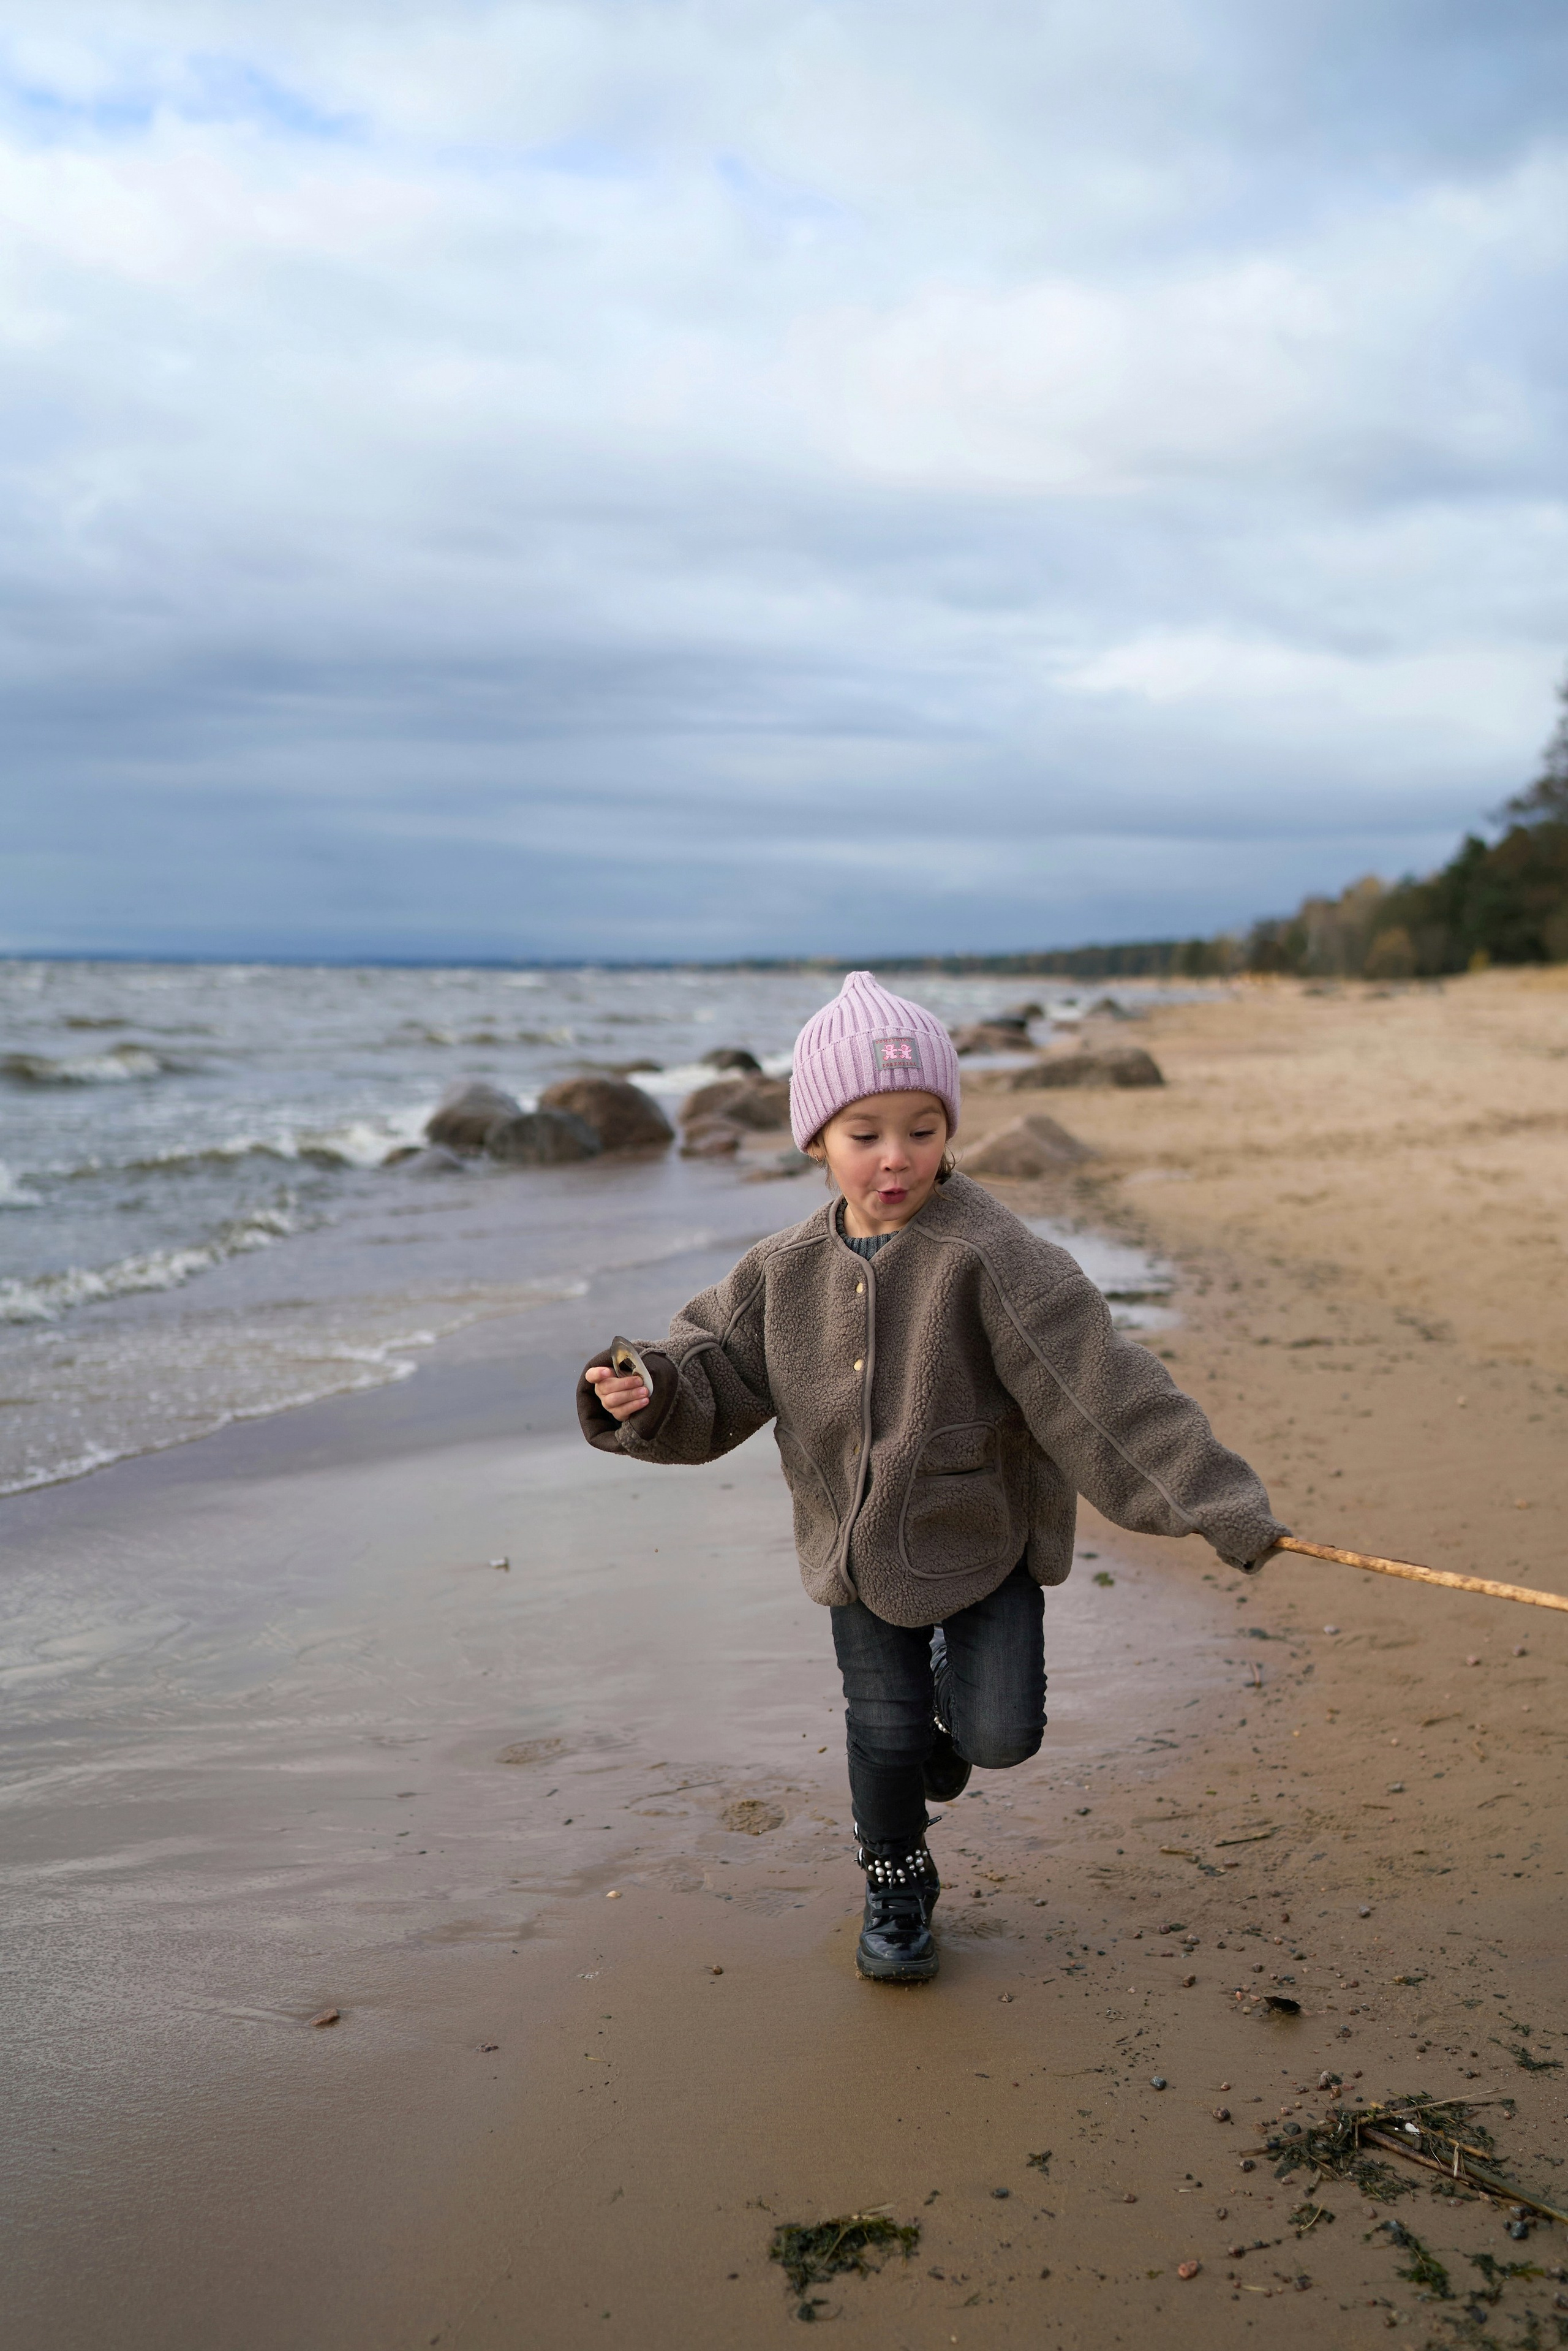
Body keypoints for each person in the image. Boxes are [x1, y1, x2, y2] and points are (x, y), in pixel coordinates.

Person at [578, 970, 1285, 1985]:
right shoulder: (780, 1272)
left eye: (922, 1128)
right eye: (864, 1132)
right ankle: (897, 1881)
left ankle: (951, 1720)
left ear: (949, 1131)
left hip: (980, 1538)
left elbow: (1104, 1392)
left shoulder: (995, 1256)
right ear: (816, 1140)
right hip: (856, 1549)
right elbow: (711, 1368)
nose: (896, 1156)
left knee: (1000, 1736)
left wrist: (1219, 1502)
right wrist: (643, 1390)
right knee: (882, 1724)